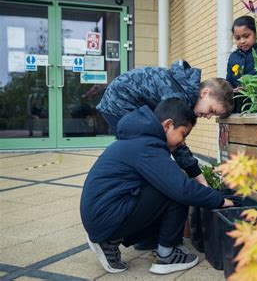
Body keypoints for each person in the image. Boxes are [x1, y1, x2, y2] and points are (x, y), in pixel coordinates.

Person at [80, 98, 234, 275]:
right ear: (168, 125)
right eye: (183, 134)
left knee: (169, 183)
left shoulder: (140, 139)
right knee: (176, 190)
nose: (182, 142)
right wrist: (220, 201)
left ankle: (110, 241)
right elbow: (181, 189)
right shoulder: (147, 145)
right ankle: (166, 256)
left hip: (102, 216)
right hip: (105, 216)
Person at [97, 60, 234, 186]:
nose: (209, 116)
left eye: (213, 114)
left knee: (153, 147)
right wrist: (198, 177)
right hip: (119, 102)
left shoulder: (184, 89)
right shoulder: (178, 97)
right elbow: (176, 143)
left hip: (123, 100)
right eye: (211, 110)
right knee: (144, 148)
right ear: (205, 93)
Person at [226, 16, 257, 113]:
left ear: (256, 33)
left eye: (246, 36)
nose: (242, 41)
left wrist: (254, 86)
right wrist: (232, 89)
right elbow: (229, 80)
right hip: (239, 108)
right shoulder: (233, 57)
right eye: (237, 38)